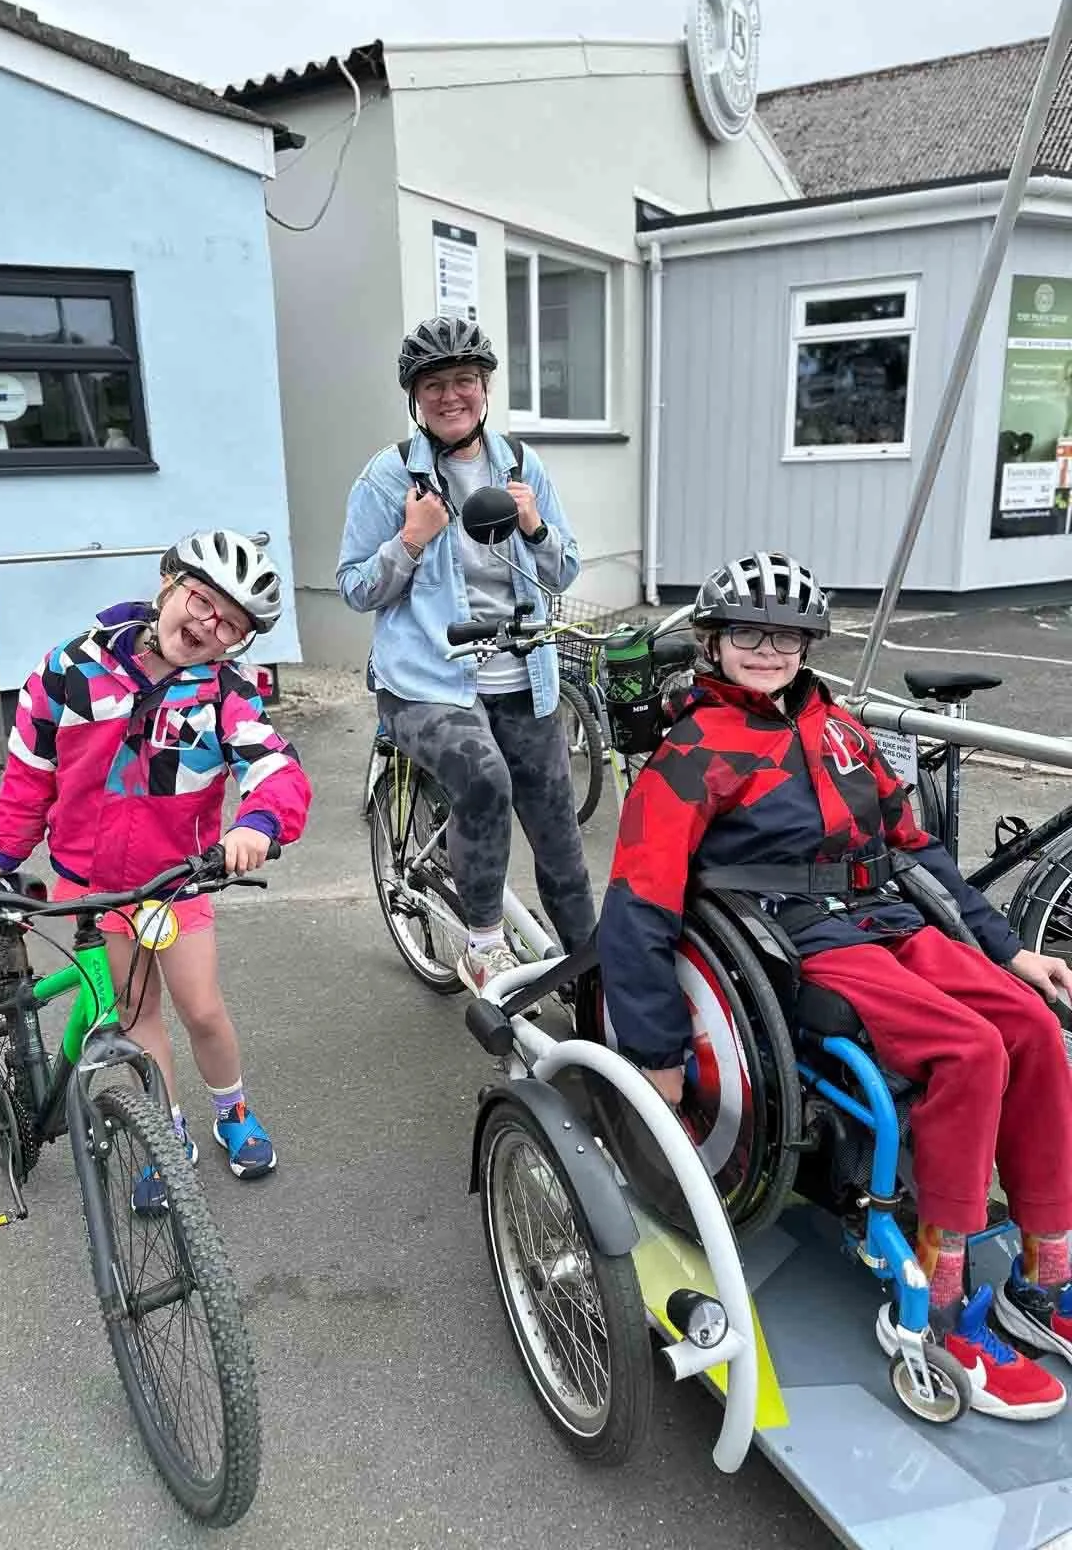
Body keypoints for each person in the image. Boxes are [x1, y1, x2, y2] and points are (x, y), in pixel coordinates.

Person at [598, 549, 1072, 1421]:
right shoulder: (692, 752)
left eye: (786, 636)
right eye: (749, 634)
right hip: (795, 935)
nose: (768, 650)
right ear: (712, 642)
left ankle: (1046, 1275)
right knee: (969, 1050)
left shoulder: (840, 728)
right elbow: (638, 905)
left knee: (1034, 1026)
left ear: (809, 645)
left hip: (888, 914)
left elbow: (915, 848)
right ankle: (937, 1298)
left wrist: (1009, 953)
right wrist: (656, 1052)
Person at [0, 529, 311, 1203]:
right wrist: (6, 854)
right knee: (135, 1012)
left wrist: (258, 823)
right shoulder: (71, 668)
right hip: (92, 886)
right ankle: (165, 1129)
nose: (208, 626)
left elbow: (275, 768)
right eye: (202, 601)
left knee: (203, 1009)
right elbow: (31, 770)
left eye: (231, 626)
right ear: (168, 584)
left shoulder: (224, 693)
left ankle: (232, 1110)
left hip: (176, 882)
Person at [337, 315, 596, 989]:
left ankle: (595, 976)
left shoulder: (521, 465)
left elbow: (564, 570)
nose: (450, 396)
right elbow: (356, 587)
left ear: (484, 388)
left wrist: (534, 527)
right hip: (427, 680)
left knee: (561, 838)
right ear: (415, 398)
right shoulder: (388, 477)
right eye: (434, 385)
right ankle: (483, 943)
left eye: (464, 380)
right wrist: (411, 539)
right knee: (484, 780)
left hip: (524, 672)